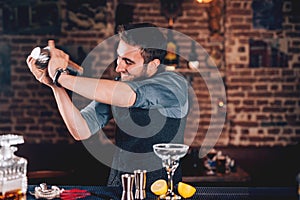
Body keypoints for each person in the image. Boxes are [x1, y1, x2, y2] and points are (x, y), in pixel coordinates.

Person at [26, 23, 189, 188]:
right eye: (119, 57)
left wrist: (60, 76)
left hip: (161, 189)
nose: (118, 67)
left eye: (128, 61)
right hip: (119, 187)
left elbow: (128, 95)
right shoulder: (116, 89)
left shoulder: (173, 84)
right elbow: (80, 129)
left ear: (153, 64)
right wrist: (55, 85)